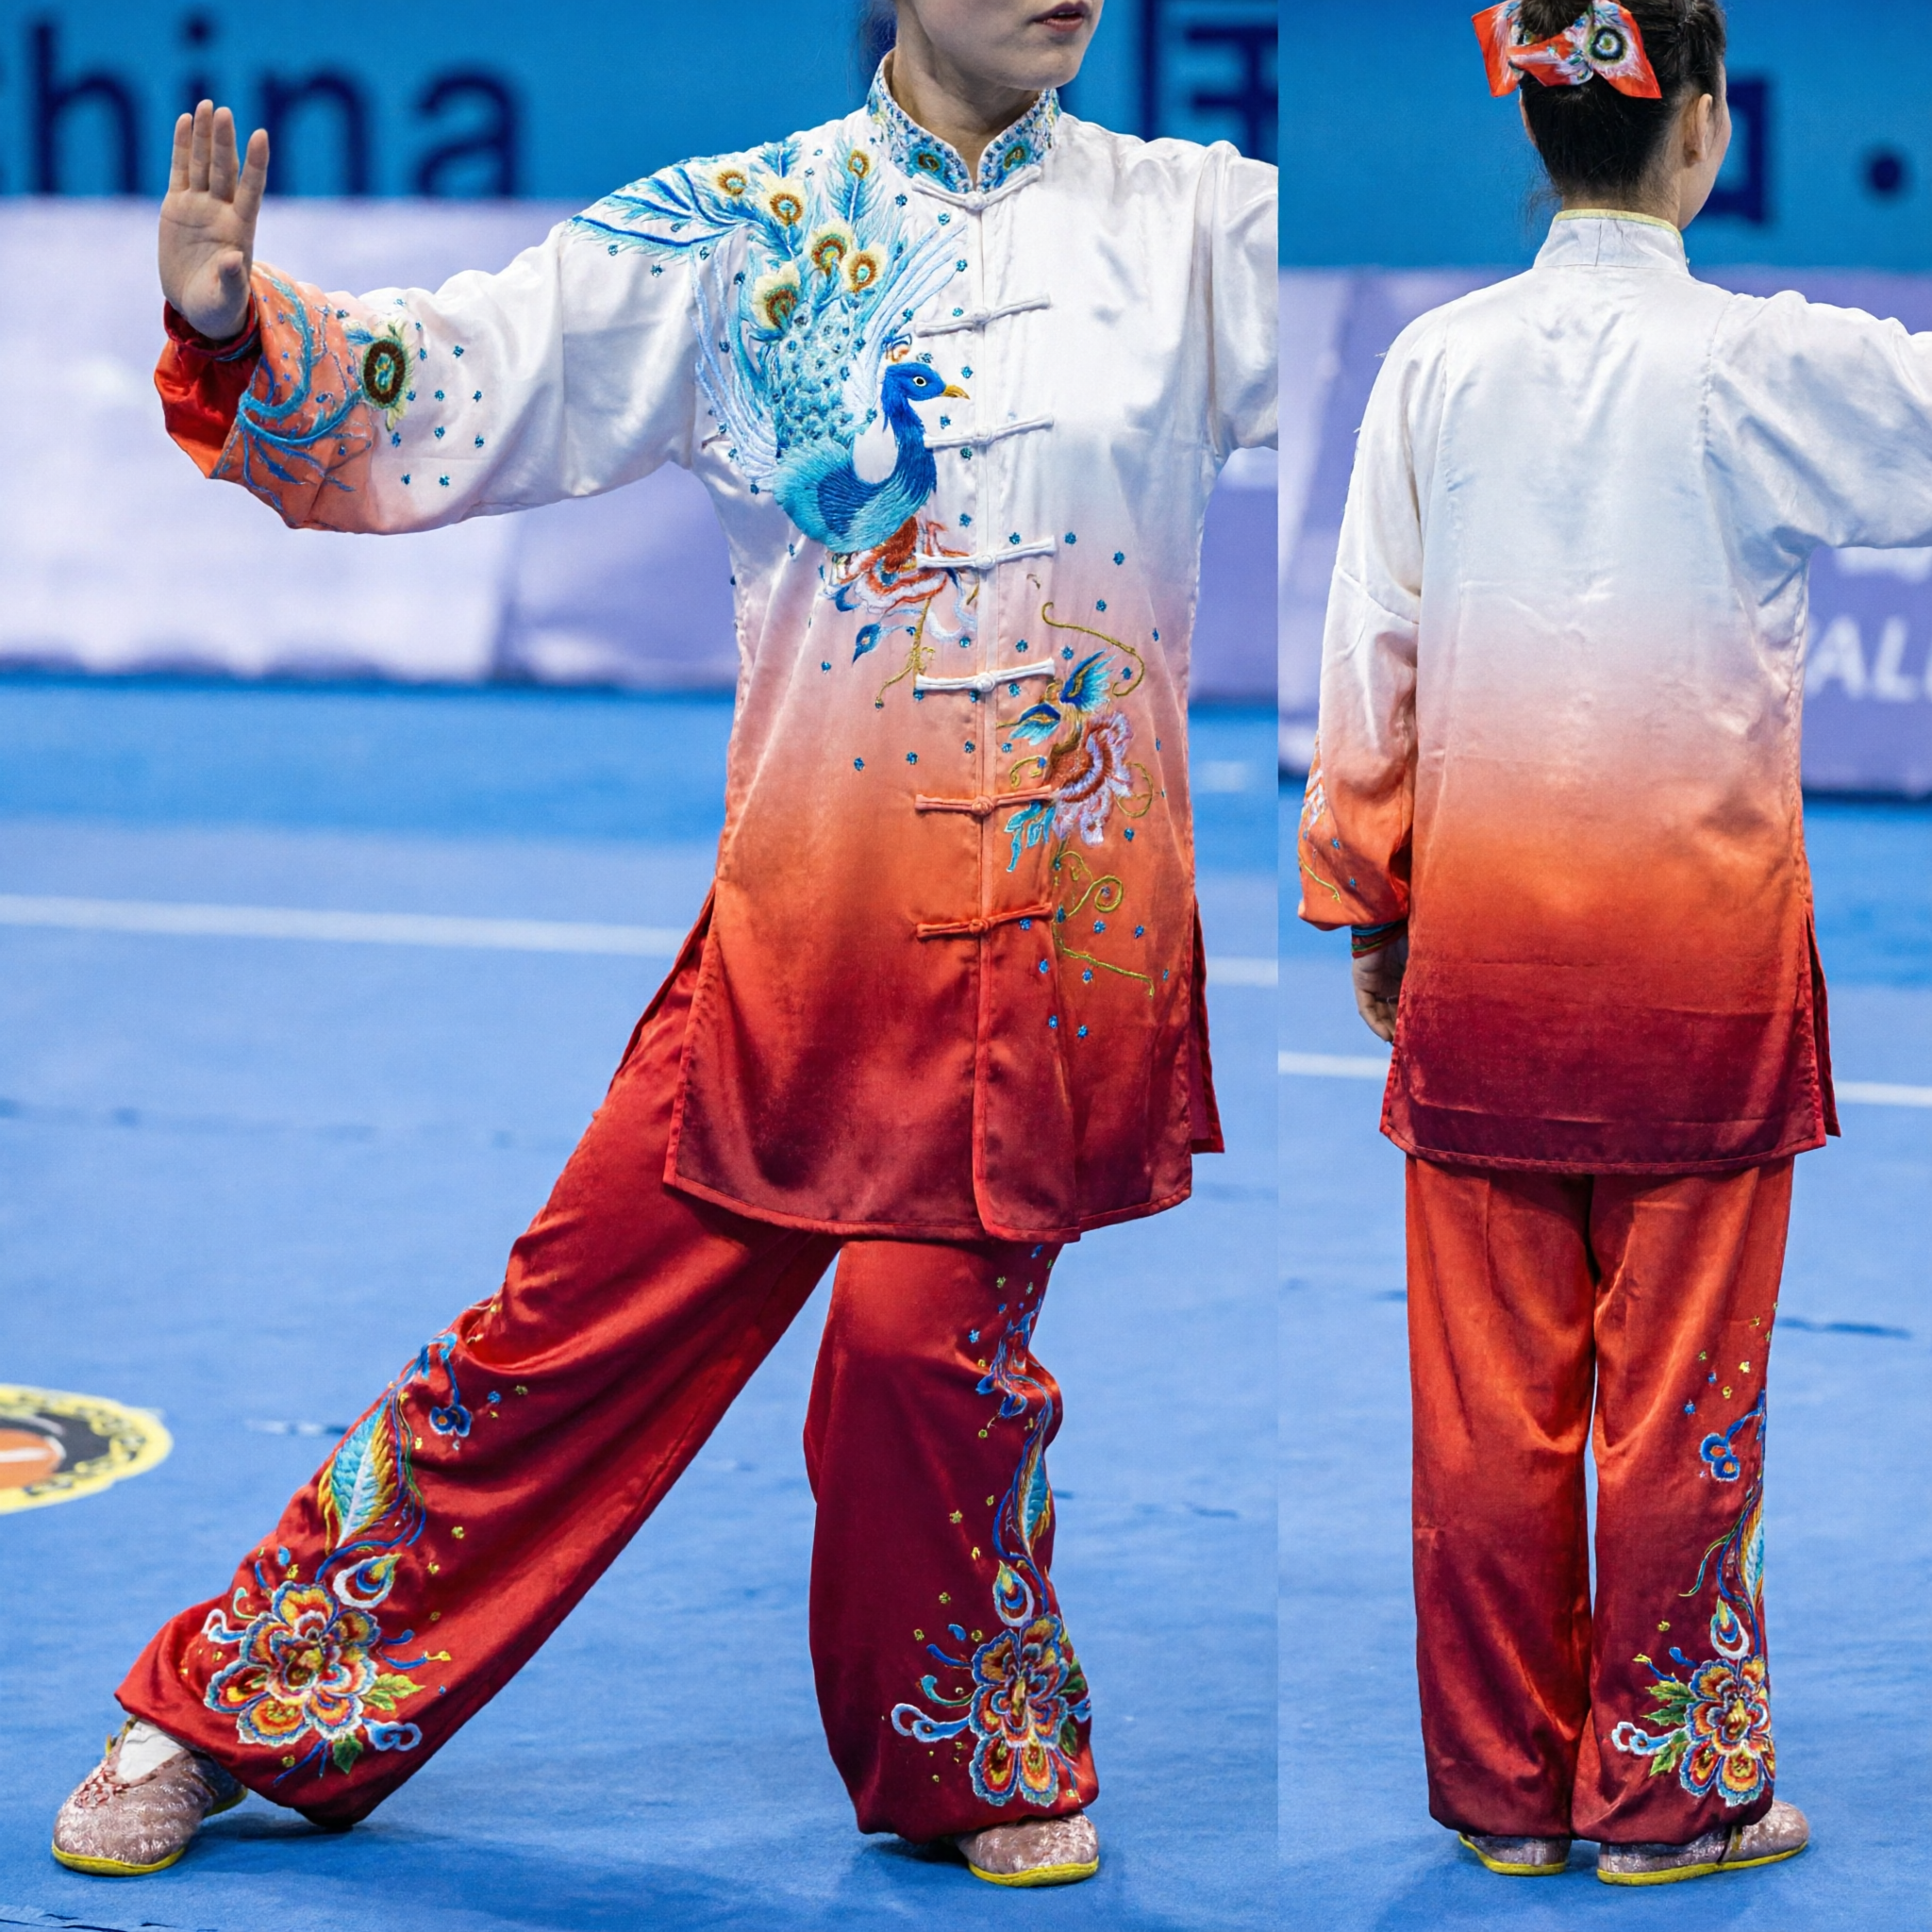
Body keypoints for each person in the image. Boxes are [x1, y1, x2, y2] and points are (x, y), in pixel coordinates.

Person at [48, 0, 1276, 1890]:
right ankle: (234, 1697)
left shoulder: (1203, 226)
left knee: (918, 1343)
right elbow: (459, 372)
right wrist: (241, 328)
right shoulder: (739, 230)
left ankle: (971, 1749)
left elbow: (1457, 379)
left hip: (1054, 949)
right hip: (806, 943)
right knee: (556, 1342)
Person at [1299, 0, 1929, 1889]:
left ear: (1541, 121)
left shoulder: (1428, 362)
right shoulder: (1766, 364)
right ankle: (1666, 1799)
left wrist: (1366, 887)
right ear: (1706, 125)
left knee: (1485, 1411)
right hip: (1702, 978)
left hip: (1479, 961)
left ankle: (1501, 1794)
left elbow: (1368, 656)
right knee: (1682, 1407)